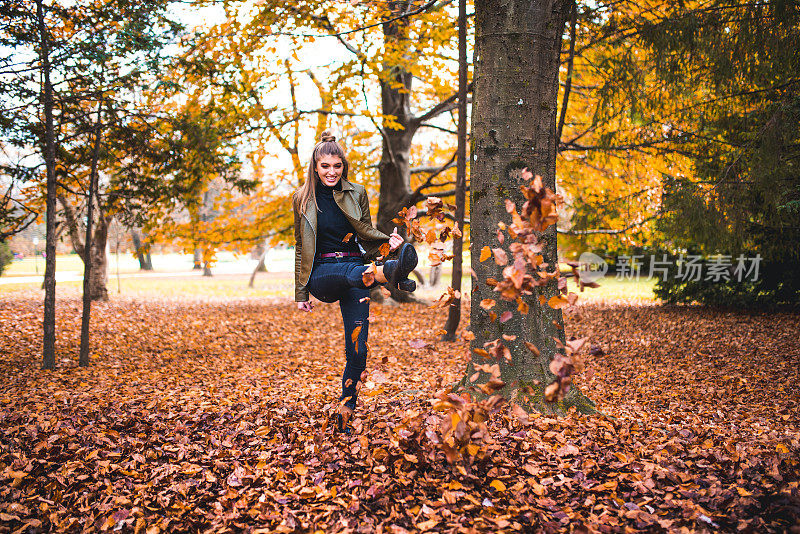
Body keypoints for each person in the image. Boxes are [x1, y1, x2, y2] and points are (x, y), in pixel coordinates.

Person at [293, 131, 418, 434]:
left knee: (358, 348)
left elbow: (365, 234)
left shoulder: (356, 192)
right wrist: (300, 291)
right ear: (315, 166)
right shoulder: (301, 198)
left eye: (337, 166)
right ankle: (389, 277)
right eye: (325, 166)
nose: (331, 172)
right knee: (357, 274)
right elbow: (300, 245)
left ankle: (346, 408)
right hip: (322, 272)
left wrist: (391, 244)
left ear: (343, 166)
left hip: (355, 268)